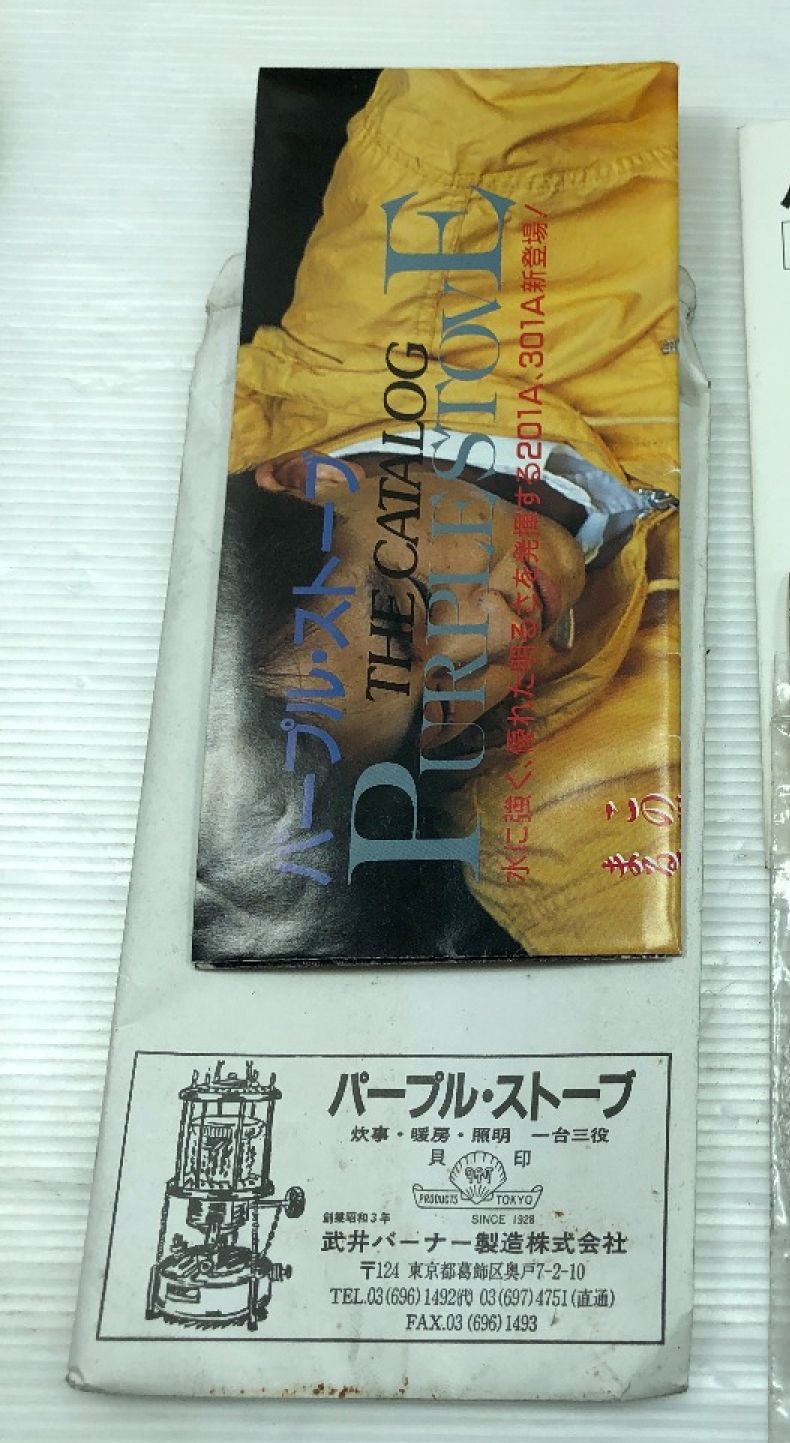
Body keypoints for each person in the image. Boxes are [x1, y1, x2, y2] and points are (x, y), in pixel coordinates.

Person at [196, 64, 682, 962]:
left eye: (410, 609)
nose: (499, 637)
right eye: (436, 709)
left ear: (308, 478)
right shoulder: (569, 865)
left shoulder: (445, 161)